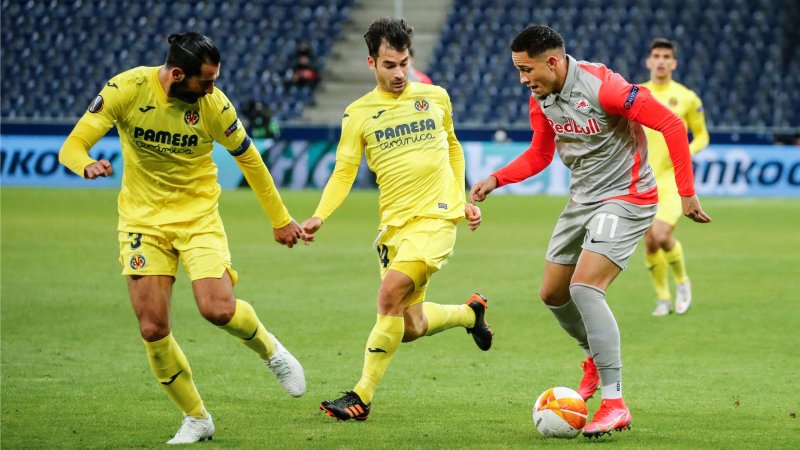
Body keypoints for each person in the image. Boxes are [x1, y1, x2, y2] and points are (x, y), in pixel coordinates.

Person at [58, 32, 309, 445]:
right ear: (177, 74)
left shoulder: (214, 106)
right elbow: (73, 145)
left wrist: (280, 220)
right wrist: (84, 165)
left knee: (217, 309)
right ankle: (196, 417)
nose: (212, 89)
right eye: (205, 81)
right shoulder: (126, 89)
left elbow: (249, 157)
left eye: (215, 80)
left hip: (197, 218)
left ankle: (272, 351)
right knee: (153, 328)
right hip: (143, 223)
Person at [470, 25, 711, 438]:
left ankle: (615, 403)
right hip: (582, 199)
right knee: (553, 293)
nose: (523, 80)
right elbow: (540, 154)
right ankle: (593, 360)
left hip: (627, 196)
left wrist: (686, 195)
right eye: (518, 71)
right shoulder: (541, 98)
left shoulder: (606, 87)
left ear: (553, 60)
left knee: (585, 288)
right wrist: (497, 179)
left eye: (527, 70)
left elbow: (671, 125)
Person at [300, 18, 490, 421]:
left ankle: (361, 397)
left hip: (437, 219)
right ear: (371, 63)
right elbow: (344, 172)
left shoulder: (435, 97)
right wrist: (320, 215)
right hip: (395, 227)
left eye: (404, 62)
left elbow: (453, 149)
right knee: (411, 325)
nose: (399, 72)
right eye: (389, 64)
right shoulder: (358, 114)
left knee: (388, 295)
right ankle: (469, 314)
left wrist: (461, 199)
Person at [641, 38, 709, 316]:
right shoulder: (636, 93)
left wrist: (685, 150)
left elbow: (702, 134)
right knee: (650, 240)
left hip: (671, 180)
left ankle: (681, 281)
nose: (660, 60)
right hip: (642, 178)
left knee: (661, 233)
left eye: (666, 56)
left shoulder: (687, 97)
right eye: (656, 55)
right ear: (648, 61)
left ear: (674, 63)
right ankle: (662, 298)